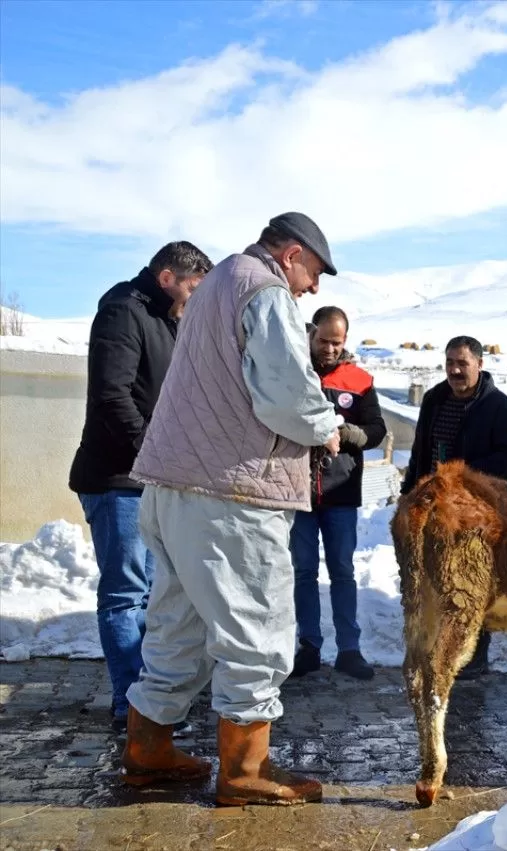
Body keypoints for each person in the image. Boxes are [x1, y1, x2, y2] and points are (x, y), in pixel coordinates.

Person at [121, 212, 344, 806]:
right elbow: (286, 394)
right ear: (292, 254)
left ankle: (148, 751)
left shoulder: (218, 281)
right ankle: (246, 772)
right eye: (314, 272)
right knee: (256, 630)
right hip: (230, 495)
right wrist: (327, 428)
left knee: (177, 626)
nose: (314, 289)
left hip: (173, 485)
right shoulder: (264, 289)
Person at [68, 241, 213, 736]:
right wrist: (153, 454)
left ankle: (152, 702)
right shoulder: (122, 311)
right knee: (126, 594)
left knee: (155, 595)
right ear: (169, 276)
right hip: (117, 480)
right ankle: (131, 703)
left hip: (152, 478)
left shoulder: (169, 318)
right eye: (195, 287)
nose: (197, 299)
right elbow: (113, 396)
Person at [401, 335, 507, 677]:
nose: (454, 370)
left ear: (479, 365)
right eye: (450, 362)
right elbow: (421, 451)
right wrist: (411, 493)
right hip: (436, 506)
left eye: (462, 363)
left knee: (473, 581)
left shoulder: (499, 406)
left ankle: (474, 654)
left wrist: (460, 476)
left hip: (478, 509)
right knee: (440, 578)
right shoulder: (435, 399)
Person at [289, 305, 387, 682]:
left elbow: (377, 429)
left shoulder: (360, 379)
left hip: (341, 492)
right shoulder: (295, 372)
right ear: (312, 334)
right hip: (299, 491)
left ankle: (349, 649)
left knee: (343, 572)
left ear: (345, 341)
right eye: (323, 340)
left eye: (337, 342)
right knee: (303, 572)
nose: (329, 348)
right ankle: (309, 646)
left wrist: (349, 435)